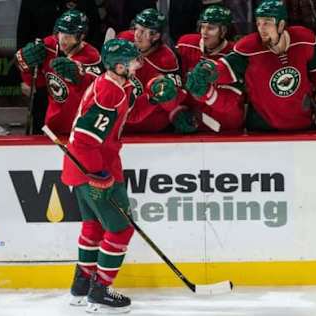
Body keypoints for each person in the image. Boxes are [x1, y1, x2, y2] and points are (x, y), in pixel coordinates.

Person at [63, 38, 165, 313]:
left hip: (88, 166)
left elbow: (129, 116)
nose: (138, 64)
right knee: (121, 228)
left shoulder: (119, 85)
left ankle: (81, 287)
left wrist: (152, 99)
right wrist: (97, 174)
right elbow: (84, 139)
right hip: (93, 166)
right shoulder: (109, 92)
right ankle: (100, 291)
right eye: (134, 61)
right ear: (120, 66)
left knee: (95, 227)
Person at [186, 0, 316, 132]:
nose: (261, 29)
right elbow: (225, 68)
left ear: (281, 24)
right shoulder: (249, 47)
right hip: (262, 126)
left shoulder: (303, 39)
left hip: (303, 124)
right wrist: (207, 72)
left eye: (267, 23)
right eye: (258, 23)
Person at [15, 9, 102, 135]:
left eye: (68, 36)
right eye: (60, 33)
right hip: (53, 127)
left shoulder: (91, 55)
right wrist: (25, 64)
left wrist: (78, 73)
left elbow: (95, 87)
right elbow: (35, 82)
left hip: (83, 129)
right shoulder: (48, 45)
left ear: (81, 36)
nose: (62, 40)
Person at [176, 4, 245, 132]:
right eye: (203, 26)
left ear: (223, 31)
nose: (204, 32)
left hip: (224, 129)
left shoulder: (234, 55)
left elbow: (232, 101)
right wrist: (176, 112)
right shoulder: (185, 44)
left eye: (211, 28)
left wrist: (207, 93)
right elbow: (175, 84)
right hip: (191, 127)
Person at [117, 8, 187, 133]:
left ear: (156, 36)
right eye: (136, 28)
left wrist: (165, 93)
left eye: (143, 31)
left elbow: (173, 102)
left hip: (152, 130)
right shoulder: (123, 40)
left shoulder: (166, 59)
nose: (137, 35)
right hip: (121, 126)